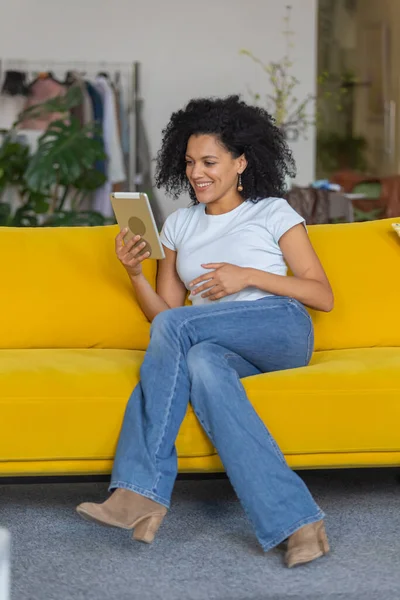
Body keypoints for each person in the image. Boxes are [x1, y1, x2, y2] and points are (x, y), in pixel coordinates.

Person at [77, 95, 334, 568]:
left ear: (240, 163)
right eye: (191, 161)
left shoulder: (272, 212)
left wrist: (249, 276)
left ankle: (139, 490)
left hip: (280, 326)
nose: (197, 172)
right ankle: (299, 523)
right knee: (201, 366)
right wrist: (134, 273)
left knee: (184, 334)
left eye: (210, 161)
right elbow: (165, 318)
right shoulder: (179, 225)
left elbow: (322, 295)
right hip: (215, 343)